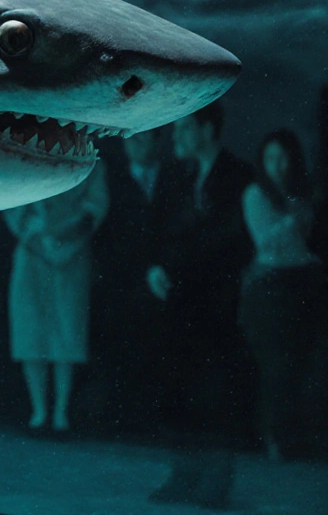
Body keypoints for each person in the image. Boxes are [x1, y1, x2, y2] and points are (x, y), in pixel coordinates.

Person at [146, 102, 255, 509]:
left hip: (219, 309)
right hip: (180, 307)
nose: (177, 137)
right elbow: (160, 232)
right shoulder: (178, 177)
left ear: (208, 129)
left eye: (185, 128)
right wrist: (156, 267)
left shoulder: (240, 176)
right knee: (180, 389)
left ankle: (216, 481)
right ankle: (183, 475)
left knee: (216, 394)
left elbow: (230, 242)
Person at [88, 128, 190, 435]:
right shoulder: (113, 179)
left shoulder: (174, 179)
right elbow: (108, 236)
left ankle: (155, 418)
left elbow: (178, 229)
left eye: (143, 138)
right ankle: (120, 419)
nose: (134, 145)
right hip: (121, 284)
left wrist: (161, 265)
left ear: (159, 142)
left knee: (159, 351)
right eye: (131, 139)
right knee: (119, 351)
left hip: (160, 281)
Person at [239, 129, 328, 462]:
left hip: (302, 281)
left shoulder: (300, 195)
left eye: (283, 158)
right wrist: (294, 216)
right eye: (271, 158)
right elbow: (266, 241)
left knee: (301, 362)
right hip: (271, 286)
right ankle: (274, 436)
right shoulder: (255, 195)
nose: (277, 165)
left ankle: (296, 434)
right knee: (276, 363)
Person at [4, 161, 108, 434]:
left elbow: (95, 205)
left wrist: (67, 234)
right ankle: (38, 411)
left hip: (72, 252)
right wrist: (36, 234)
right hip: (32, 250)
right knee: (31, 333)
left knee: (67, 332)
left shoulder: (91, 163)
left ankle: (61, 411)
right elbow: (10, 200)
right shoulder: (27, 157)